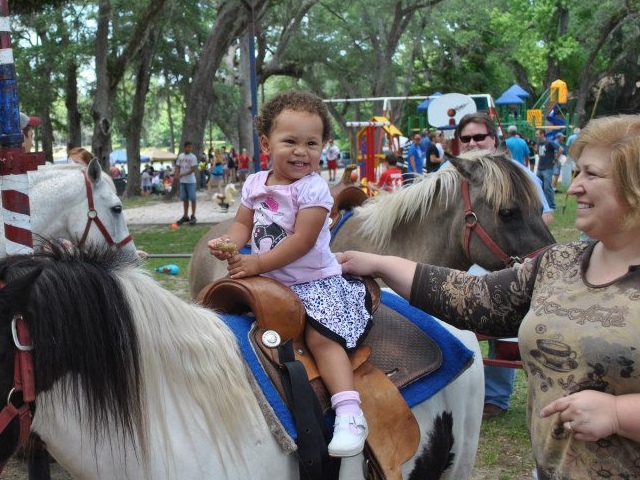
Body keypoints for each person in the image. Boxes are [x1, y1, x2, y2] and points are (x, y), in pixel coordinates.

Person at [338, 114, 640, 479]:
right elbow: (476, 298)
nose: (574, 188)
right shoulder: (561, 263)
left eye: (591, 174)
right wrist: (378, 263)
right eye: (577, 173)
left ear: (633, 184)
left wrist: (620, 414)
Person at [207, 90, 371, 458]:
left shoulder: (314, 189)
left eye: (312, 143)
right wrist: (229, 244)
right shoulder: (254, 184)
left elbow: (302, 240)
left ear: (324, 147)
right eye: (290, 141)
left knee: (321, 338)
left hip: (313, 283)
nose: (301, 151)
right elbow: (241, 225)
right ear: (267, 143)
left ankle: (349, 412)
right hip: (269, 281)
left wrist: (256, 263)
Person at [449, 113, 552, 419]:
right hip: (462, 262)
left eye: (479, 137)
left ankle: (495, 396)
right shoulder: (449, 172)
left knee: (501, 329)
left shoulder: (516, 173)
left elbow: (542, 217)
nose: (473, 143)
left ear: (493, 140)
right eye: (466, 138)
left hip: (502, 260)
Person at [174, 141, 198, 225]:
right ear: (185, 147)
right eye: (188, 147)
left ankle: (193, 215)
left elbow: (193, 169)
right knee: (185, 199)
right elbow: (178, 166)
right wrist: (176, 174)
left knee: (193, 199)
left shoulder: (193, 157)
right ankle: (185, 216)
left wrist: (182, 174)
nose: (189, 149)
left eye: (190, 147)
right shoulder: (180, 156)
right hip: (183, 181)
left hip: (191, 181)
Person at [536, 129, 559, 210]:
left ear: (542, 134)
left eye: (537, 134)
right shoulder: (538, 143)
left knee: (547, 187)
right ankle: (543, 205)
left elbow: (560, 149)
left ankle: (552, 206)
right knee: (539, 187)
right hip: (540, 167)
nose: (536, 136)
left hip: (547, 168)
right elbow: (538, 153)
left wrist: (555, 159)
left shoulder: (549, 142)